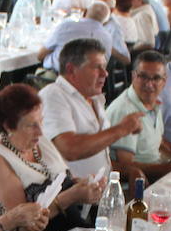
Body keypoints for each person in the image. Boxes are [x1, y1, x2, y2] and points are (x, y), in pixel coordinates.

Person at [0, 83, 102, 216]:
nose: (40, 131)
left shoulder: (40, 140)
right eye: (31, 125)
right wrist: (70, 197)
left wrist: (83, 185)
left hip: (73, 225)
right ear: (9, 127)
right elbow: (17, 225)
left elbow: (63, 177)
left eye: (41, 121)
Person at [39, 37, 143, 184]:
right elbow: (70, 149)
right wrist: (122, 128)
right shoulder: (53, 95)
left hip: (100, 191)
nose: (105, 73)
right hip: (73, 199)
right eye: (97, 67)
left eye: (104, 67)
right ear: (71, 70)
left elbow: (98, 155)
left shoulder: (93, 97)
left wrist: (128, 171)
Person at [105, 51, 171, 180]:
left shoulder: (154, 104)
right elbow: (126, 166)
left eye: (155, 78)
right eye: (143, 77)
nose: (149, 84)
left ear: (164, 81)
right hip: (135, 183)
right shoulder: (125, 110)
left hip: (154, 174)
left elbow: (156, 145)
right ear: (133, 76)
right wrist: (167, 169)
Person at [38, 1, 128, 71]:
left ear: (85, 12)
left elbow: (40, 55)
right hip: (88, 83)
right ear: (105, 21)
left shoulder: (67, 25)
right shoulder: (107, 37)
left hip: (58, 77)